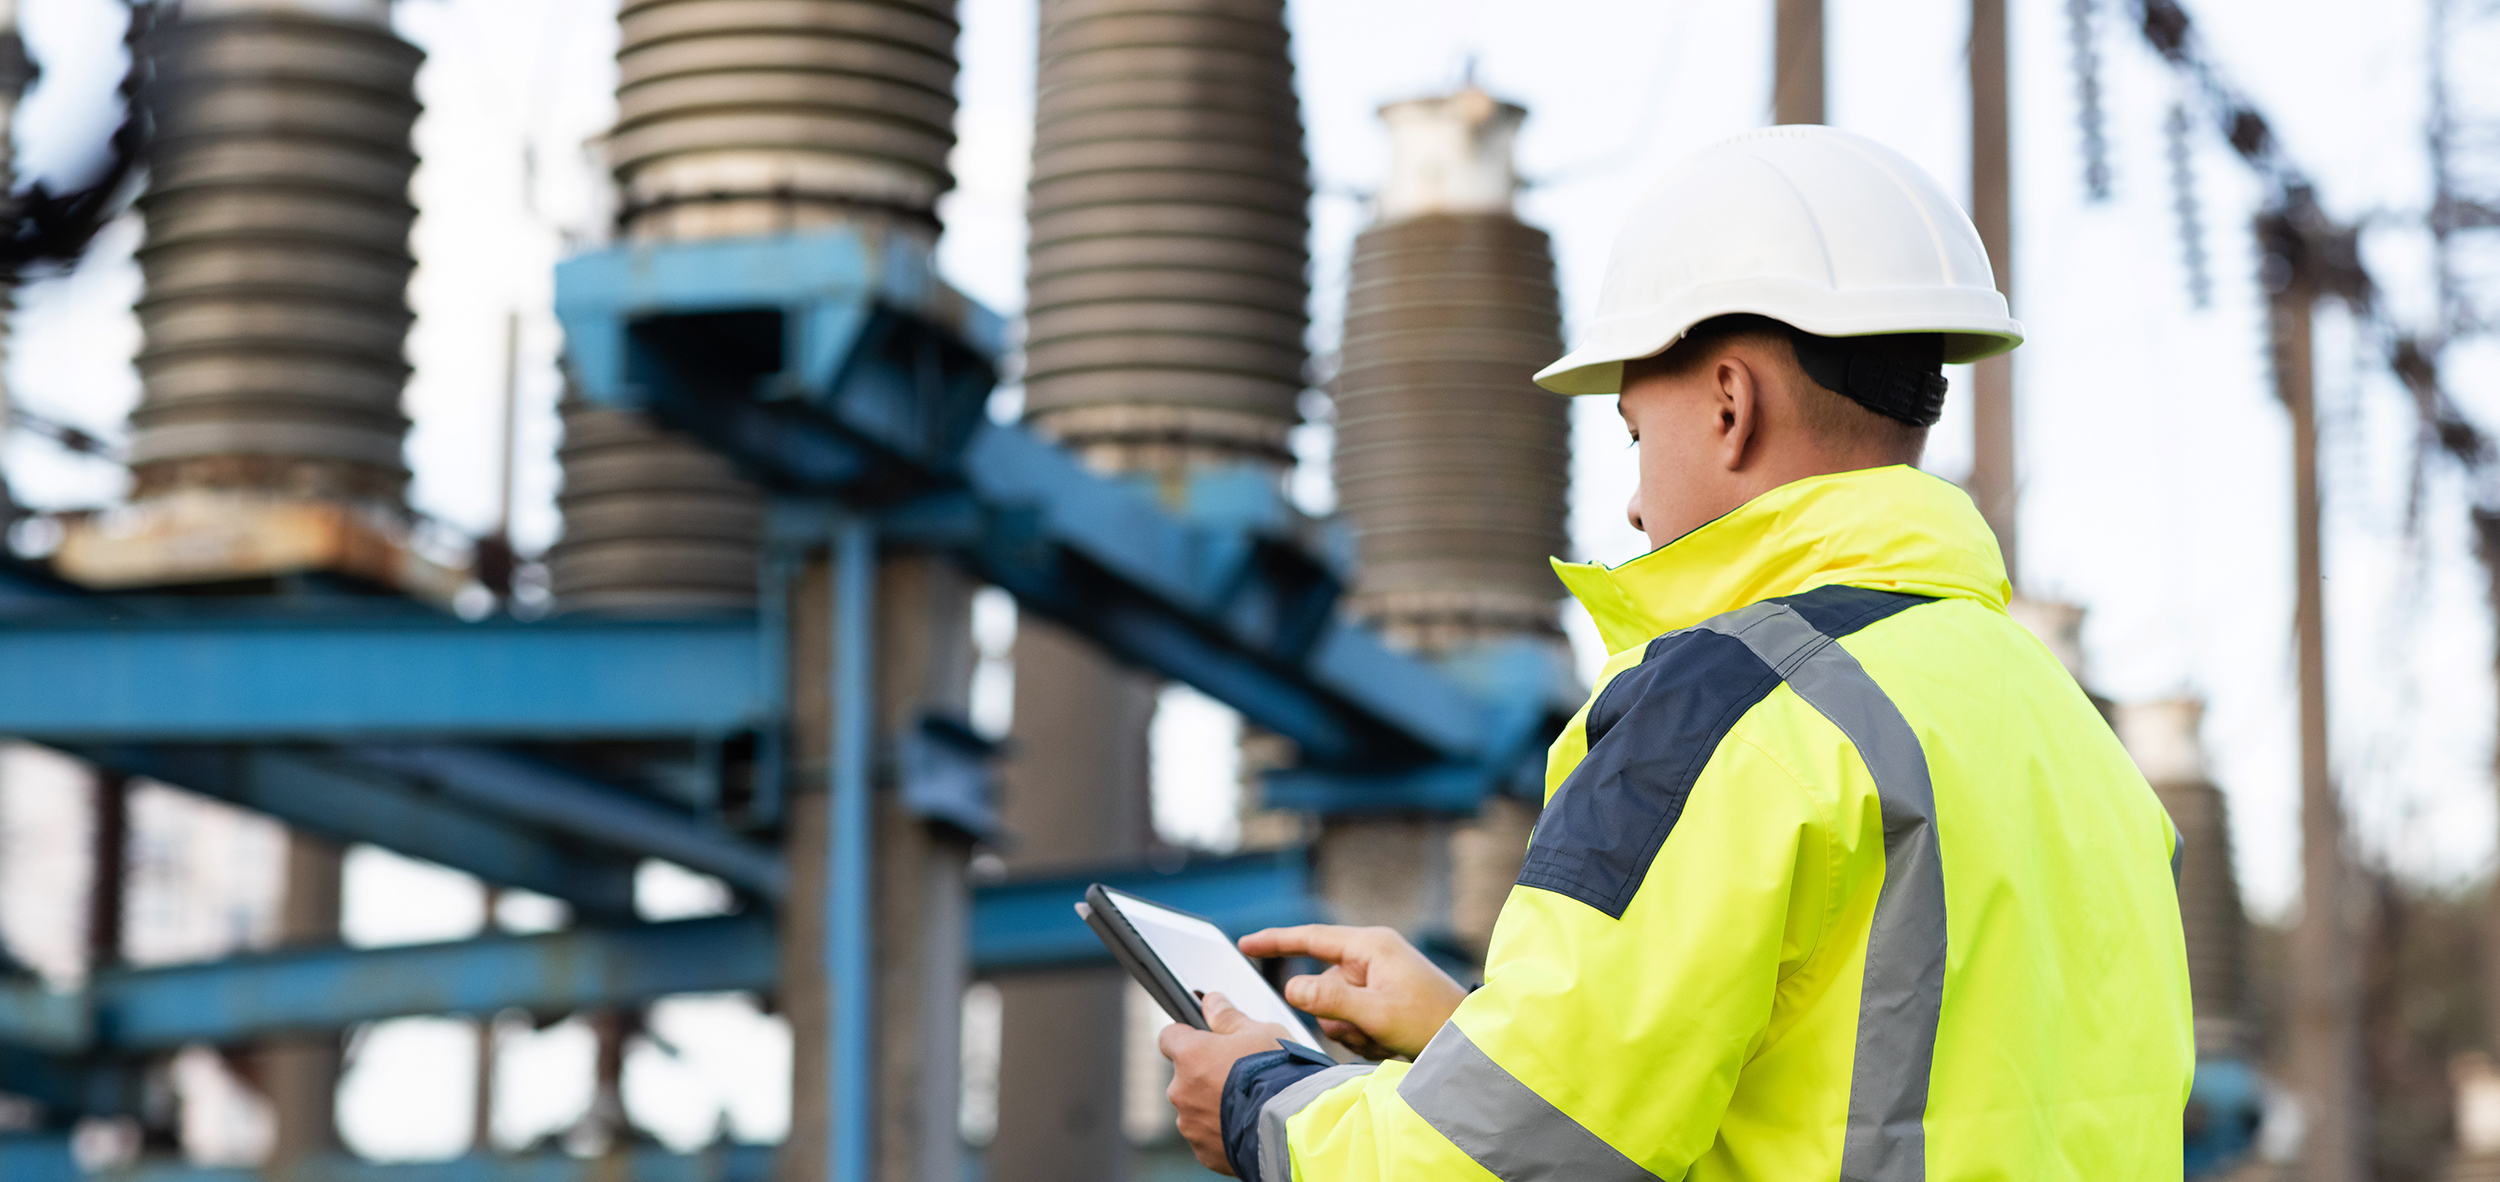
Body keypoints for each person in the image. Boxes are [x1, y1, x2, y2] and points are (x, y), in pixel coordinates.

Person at [1157, 125, 2193, 1181]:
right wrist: (1469, 1037)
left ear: (1730, 407)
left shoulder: (1736, 706)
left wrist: (1260, 1105)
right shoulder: (2072, 737)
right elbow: (1868, 1092)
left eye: (1636, 436)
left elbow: (1490, 1167)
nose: (1634, 501)